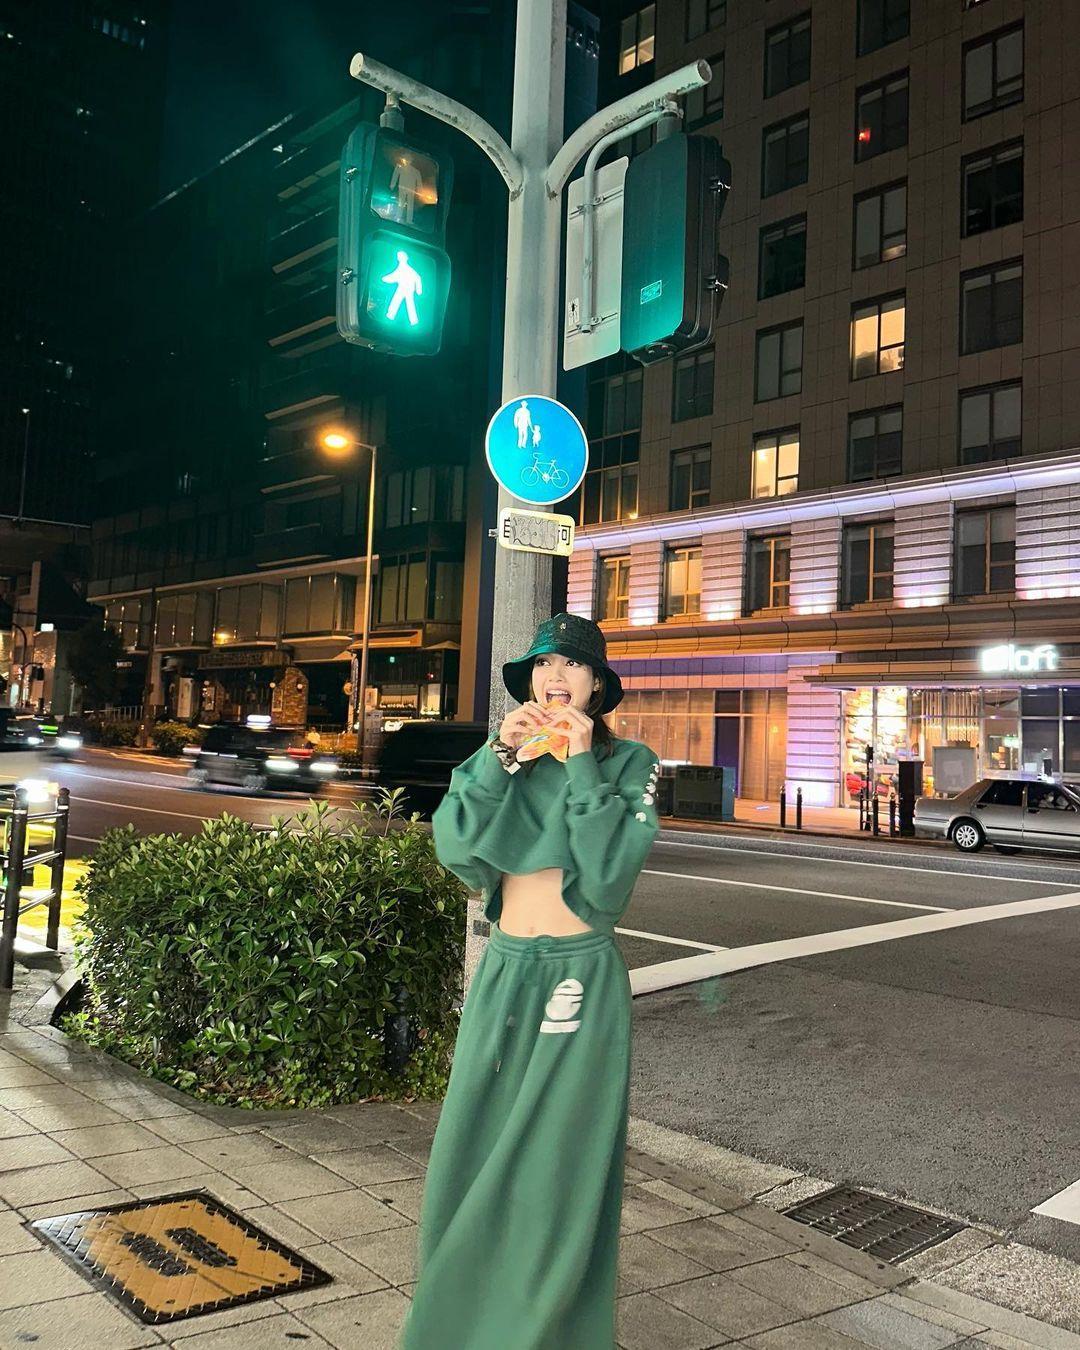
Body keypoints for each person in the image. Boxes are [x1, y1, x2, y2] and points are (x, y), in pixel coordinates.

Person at [400, 612, 660, 1350]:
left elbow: (608, 878)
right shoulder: (506, 757)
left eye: (572, 664)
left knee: (560, 1164)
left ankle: (552, 1331)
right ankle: (456, 1326)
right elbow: (456, 846)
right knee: (469, 1145)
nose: (555, 676)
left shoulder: (629, 762)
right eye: (543, 664)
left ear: (598, 685)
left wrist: (580, 764)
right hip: (506, 969)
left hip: (580, 979)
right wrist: (498, 757)